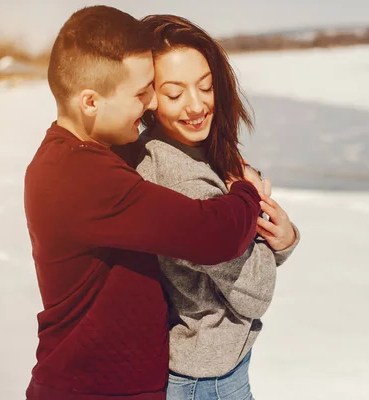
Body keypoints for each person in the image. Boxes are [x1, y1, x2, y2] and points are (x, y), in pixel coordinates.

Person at [23, 6, 265, 400]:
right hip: (94, 389)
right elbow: (213, 235)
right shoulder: (84, 178)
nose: (150, 105)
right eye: (141, 94)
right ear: (90, 102)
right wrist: (246, 190)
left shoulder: (77, 159)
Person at [131, 14, 300, 400]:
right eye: (175, 94)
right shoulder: (184, 181)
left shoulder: (175, 150)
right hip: (206, 381)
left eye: (205, 87)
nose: (196, 106)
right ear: (148, 97)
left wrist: (283, 236)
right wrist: (253, 206)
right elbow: (255, 291)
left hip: (205, 368)